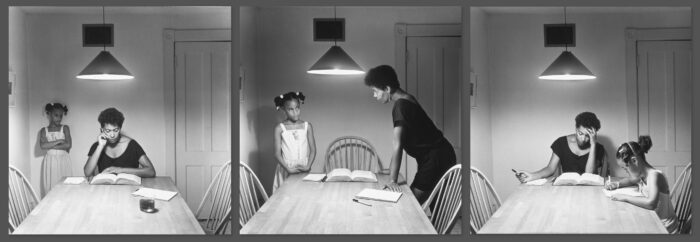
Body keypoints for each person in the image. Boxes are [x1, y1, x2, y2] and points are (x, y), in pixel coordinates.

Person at [364, 65, 457, 204]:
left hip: (435, 158)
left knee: (411, 204)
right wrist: (390, 173)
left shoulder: (400, 106)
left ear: (387, 89)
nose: (374, 95)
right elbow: (398, 142)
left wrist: (393, 180)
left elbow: (397, 145)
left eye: (375, 91)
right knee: (433, 204)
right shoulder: (407, 99)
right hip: (440, 155)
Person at [605, 136, 679, 234]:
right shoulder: (642, 174)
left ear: (634, 160)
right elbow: (631, 180)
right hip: (653, 219)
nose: (626, 172)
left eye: (625, 168)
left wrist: (625, 197)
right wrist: (617, 184)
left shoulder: (654, 175)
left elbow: (651, 203)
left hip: (664, 228)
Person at [515, 112, 606, 183]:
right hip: (566, 188)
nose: (583, 139)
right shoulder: (561, 143)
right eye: (580, 133)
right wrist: (532, 175)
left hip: (589, 190)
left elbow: (588, 176)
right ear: (576, 129)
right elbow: (550, 169)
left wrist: (593, 144)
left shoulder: (598, 148)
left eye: (587, 136)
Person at [83, 107, 156, 178]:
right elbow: (87, 173)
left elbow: (151, 172)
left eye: (115, 130)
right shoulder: (97, 146)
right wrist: (100, 146)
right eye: (108, 131)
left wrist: (120, 170)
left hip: (130, 188)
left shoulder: (132, 145)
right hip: (106, 188)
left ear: (120, 129)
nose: (112, 135)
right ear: (102, 130)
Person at [272, 92, 317, 192]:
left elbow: (313, 150)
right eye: (291, 109)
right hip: (286, 167)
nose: (295, 112)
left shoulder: (307, 126)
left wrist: (308, 165)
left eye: (297, 108)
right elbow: (277, 154)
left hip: (303, 167)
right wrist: (288, 169)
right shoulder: (279, 128)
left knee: (302, 196)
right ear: (284, 109)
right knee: (284, 196)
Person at [39, 102, 72, 195]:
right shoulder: (43, 130)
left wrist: (50, 145)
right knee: (51, 186)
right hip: (50, 161)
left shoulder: (65, 128)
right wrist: (59, 140)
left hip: (63, 160)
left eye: (61, 116)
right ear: (49, 114)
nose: (59, 118)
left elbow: (68, 145)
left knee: (65, 186)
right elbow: (42, 146)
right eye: (56, 115)